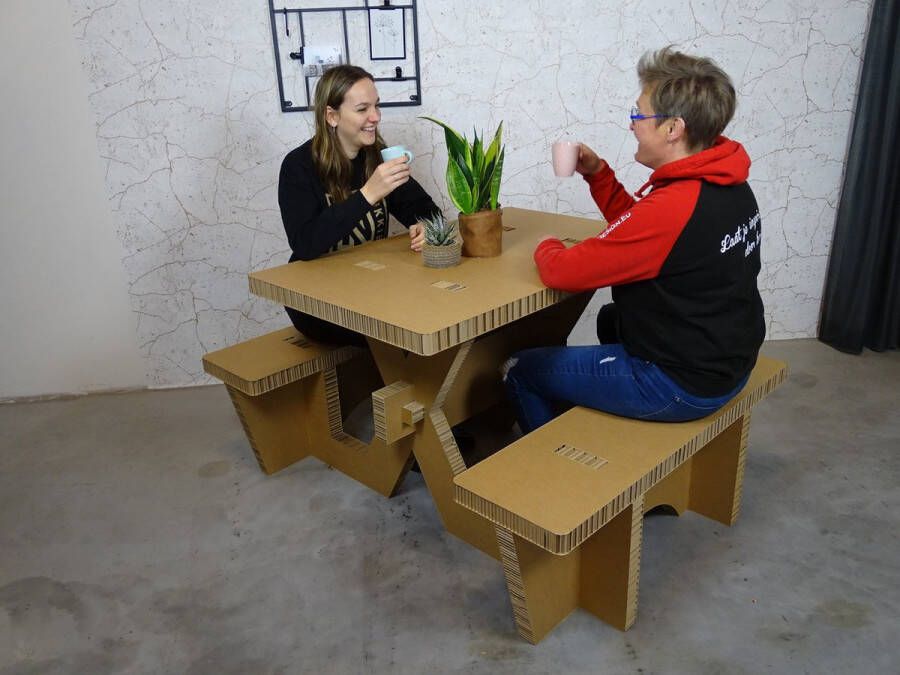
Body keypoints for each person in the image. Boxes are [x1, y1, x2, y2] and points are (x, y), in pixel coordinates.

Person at [504, 46, 766, 433]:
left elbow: (561, 272)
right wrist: (597, 173)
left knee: (520, 369)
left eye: (637, 115)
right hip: (729, 360)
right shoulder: (727, 182)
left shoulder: (672, 208)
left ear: (672, 129)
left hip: (682, 384)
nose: (631, 124)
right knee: (612, 320)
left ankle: (553, 472)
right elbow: (643, 232)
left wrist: (546, 244)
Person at [278, 64, 441, 345]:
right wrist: (368, 194)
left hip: (369, 286)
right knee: (404, 328)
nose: (375, 117)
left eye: (376, 106)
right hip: (316, 299)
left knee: (431, 312)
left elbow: (429, 212)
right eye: (362, 109)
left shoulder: (377, 156)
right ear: (332, 115)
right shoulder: (298, 166)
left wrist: (425, 226)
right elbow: (305, 244)